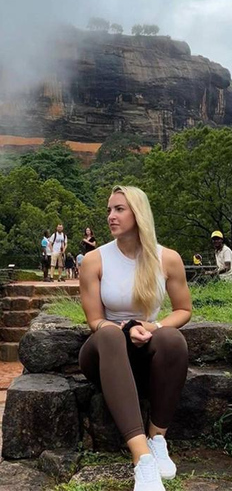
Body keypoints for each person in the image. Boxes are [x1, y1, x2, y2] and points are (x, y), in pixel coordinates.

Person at [79, 185, 191, 491]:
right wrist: (125, 328)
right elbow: (94, 320)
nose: (111, 217)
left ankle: (157, 439)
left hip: (145, 348)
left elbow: (183, 310)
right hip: (105, 352)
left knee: (172, 340)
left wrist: (152, 327)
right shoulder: (95, 260)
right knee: (112, 335)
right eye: (109, 210)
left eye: (119, 209)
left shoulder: (167, 259)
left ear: (138, 214)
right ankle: (142, 459)